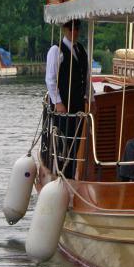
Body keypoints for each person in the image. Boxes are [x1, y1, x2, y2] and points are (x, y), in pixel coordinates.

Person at [44, 19, 89, 177]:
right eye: (70, 29)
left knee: (75, 143)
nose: (74, 32)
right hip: (64, 105)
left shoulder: (81, 50)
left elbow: (86, 78)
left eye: (76, 28)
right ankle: (60, 174)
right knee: (64, 142)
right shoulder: (56, 50)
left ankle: (70, 175)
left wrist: (92, 100)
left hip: (77, 105)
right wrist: (58, 102)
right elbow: (50, 79)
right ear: (64, 29)